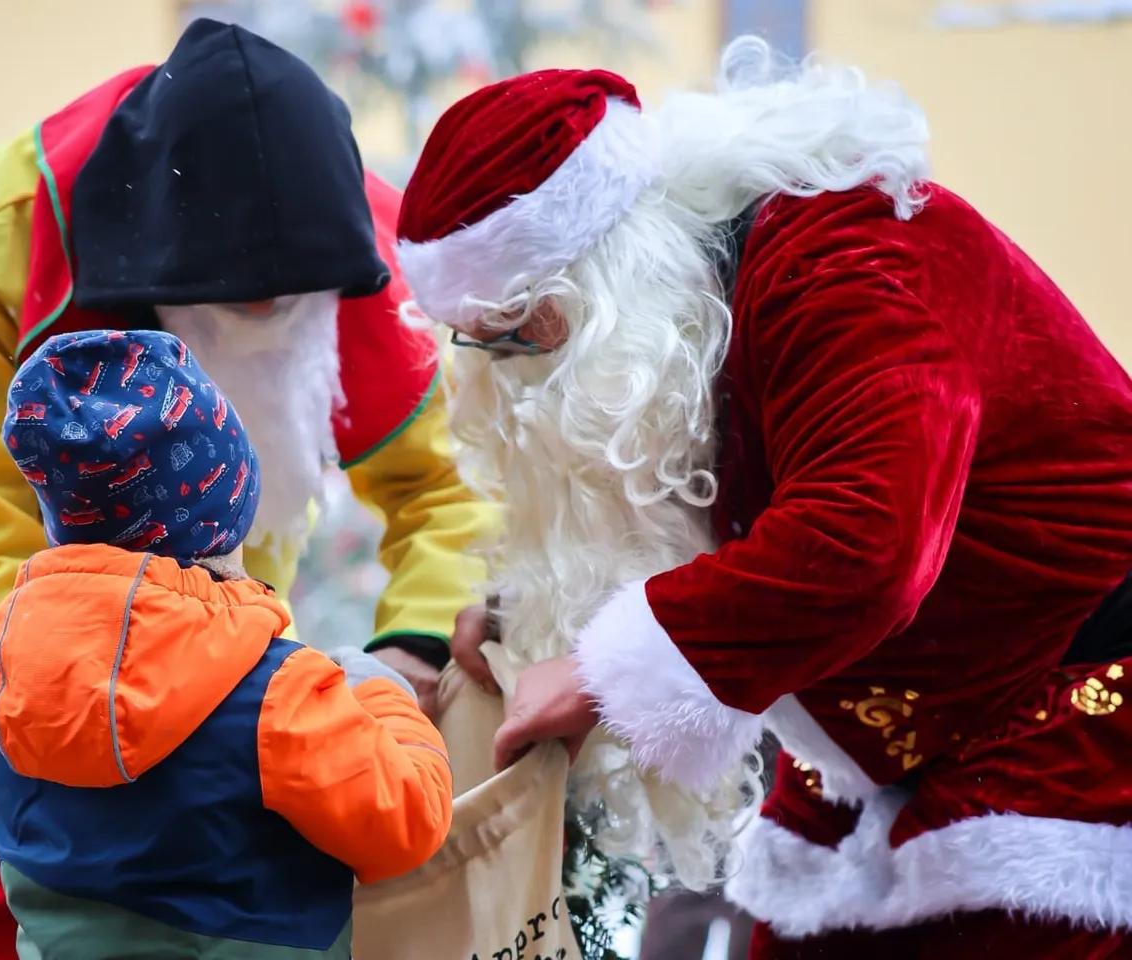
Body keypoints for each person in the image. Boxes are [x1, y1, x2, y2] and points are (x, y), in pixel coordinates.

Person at [393, 39, 1132, 958]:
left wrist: (596, 675)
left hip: (1075, 729)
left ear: (606, 271)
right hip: (887, 741)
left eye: (519, 336)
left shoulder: (844, 266)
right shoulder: (697, 314)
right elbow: (680, 497)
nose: (517, 377)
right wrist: (537, 622)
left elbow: (865, 540)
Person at [0, 18, 493, 959]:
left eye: (282, 308)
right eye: (234, 304)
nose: (262, 320)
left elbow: (453, 488)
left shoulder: (344, 238)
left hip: (231, 716)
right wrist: (150, 737)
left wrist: (408, 651)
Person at [0, 329, 451, 958]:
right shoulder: (279, 694)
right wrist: (384, 698)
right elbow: (408, 824)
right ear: (230, 510)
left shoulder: (3, 676)